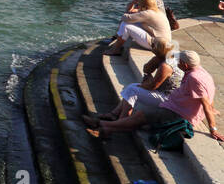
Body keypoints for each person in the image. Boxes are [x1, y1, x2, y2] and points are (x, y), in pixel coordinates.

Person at [89, 50, 223, 141]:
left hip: (178, 113)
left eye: (179, 61)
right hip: (173, 106)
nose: (177, 63)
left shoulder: (195, 78)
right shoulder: (201, 71)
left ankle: (102, 125)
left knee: (141, 116)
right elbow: (209, 93)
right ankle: (107, 128)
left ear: (185, 64)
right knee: (141, 119)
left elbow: (204, 102)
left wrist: (213, 129)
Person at [93, 38, 182, 124]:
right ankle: (114, 114)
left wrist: (142, 85)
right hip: (162, 92)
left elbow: (153, 86)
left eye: (153, 45)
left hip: (168, 98)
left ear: (158, 49)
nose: (151, 46)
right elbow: (146, 69)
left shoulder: (166, 66)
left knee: (132, 89)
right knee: (132, 88)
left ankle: (120, 120)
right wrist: (156, 59)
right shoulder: (163, 58)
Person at [105, 0, 171, 55]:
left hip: (157, 45)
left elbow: (125, 18)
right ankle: (119, 44)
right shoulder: (156, 11)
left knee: (125, 25)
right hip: (163, 44)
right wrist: (134, 12)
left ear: (141, 3)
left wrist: (130, 7)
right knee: (132, 23)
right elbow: (134, 17)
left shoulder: (148, 13)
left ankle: (116, 49)